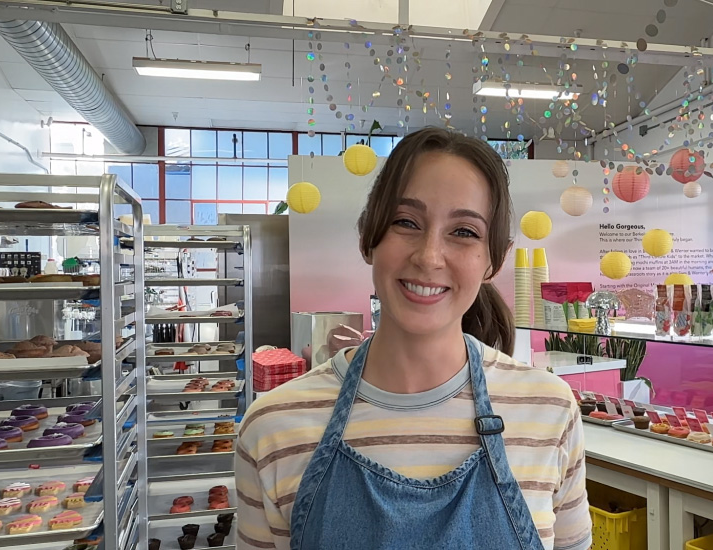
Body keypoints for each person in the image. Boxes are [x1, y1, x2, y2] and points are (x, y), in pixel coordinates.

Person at [236, 127, 591, 550]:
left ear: (494, 259)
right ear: (369, 238)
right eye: (406, 222)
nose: (428, 257)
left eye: (464, 232)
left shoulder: (548, 411)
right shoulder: (274, 426)